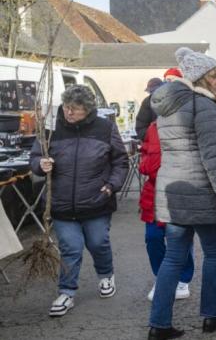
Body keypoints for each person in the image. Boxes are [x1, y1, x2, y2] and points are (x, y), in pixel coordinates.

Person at [148, 47, 216, 339]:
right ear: (199, 77)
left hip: (173, 195)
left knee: (173, 258)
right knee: (213, 255)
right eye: (213, 76)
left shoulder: (168, 106)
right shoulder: (204, 106)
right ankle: (213, 315)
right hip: (202, 193)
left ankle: (159, 325)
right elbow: (214, 158)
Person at [30, 85, 128, 317]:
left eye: (75, 109)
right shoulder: (52, 128)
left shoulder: (105, 127)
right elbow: (35, 156)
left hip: (96, 201)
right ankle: (66, 292)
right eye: (66, 107)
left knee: (97, 243)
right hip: (61, 203)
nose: (68, 112)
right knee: (70, 248)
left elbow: (120, 160)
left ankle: (106, 275)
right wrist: (40, 165)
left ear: (88, 110)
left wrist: (111, 186)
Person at [138, 120, 194, 301]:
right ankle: (163, 277)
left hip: (179, 192)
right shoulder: (153, 127)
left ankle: (183, 279)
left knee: (180, 238)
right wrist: (146, 165)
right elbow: (145, 156)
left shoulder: (189, 125)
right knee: (152, 238)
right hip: (153, 194)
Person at [135, 68, 183, 141]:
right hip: (157, 144)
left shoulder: (185, 99)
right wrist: (152, 138)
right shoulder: (147, 102)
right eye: (168, 80)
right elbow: (141, 127)